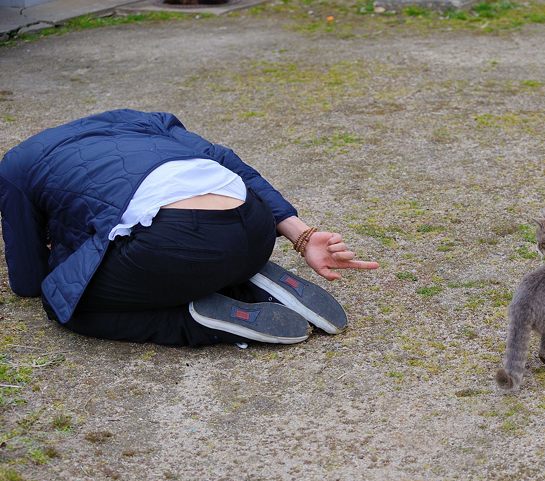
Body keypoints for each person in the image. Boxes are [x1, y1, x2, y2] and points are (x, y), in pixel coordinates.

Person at [0, 109, 379, 346]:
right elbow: (231, 162)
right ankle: (246, 275)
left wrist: (59, 249)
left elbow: (29, 281)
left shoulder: (17, 165)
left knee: (64, 301)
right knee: (154, 237)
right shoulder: (147, 121)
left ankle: (199, 320)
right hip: (256, 223)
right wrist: (302, 236)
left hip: (175, 245)